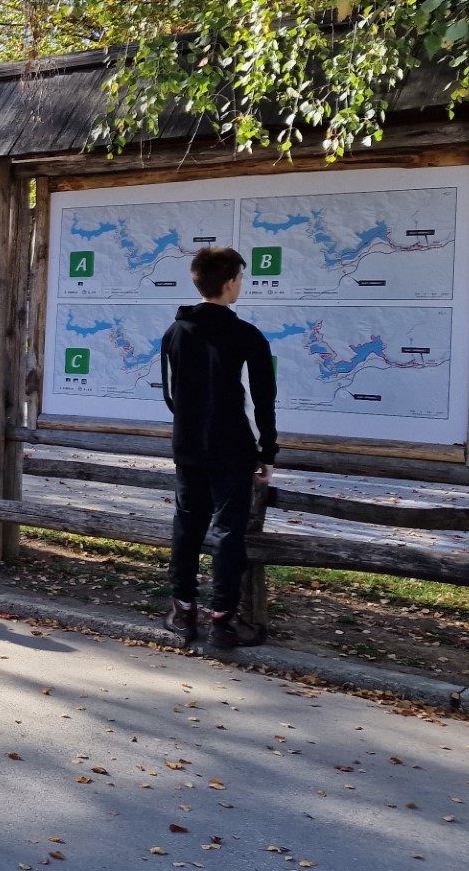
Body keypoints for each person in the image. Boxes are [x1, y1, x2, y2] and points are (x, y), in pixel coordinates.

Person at [159, 246, 276, 648]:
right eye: (240, 279)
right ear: (229, 284)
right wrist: (268, 452)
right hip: (233, 447)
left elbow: (172, 394)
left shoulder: (176, 331)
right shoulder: (246, 334)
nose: (241, 286)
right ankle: (222, 622)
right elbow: (263, 397)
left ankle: (183, 611)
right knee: (229, 533)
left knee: (187, 526)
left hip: (188, 446)